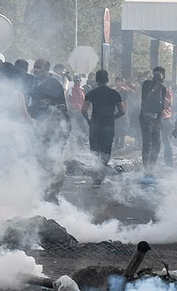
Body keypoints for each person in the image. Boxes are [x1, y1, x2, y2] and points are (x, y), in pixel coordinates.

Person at [28, 59, 72, 201]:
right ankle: (42, 190)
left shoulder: (54, 84)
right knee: (39, 159)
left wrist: (56, 127)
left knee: (52, 160)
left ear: (47, 69)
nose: (35, 69)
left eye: (39, 67)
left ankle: (53, 193)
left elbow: (61, 108)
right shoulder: (34, 84)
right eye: (34, 67)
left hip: (53, 129)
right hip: (38, 127)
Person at [81, 69, 125, 186]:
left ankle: (96, 177)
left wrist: (88, 120)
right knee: (105, 150)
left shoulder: (91, 93)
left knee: (95, 151)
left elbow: (84, 110)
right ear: (107, 79)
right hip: (108, 126)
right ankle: (101, 175)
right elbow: (122, 111)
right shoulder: (115, 93)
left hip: (95, 125)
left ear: (96, 80)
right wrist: (112, 118)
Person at [139, 66, 167, 177]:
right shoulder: (146, 84)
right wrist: (156, 85)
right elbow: (146, 99)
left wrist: (159, 121)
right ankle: (147, 169)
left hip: (156, 118)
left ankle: (152, 168)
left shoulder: (163, 88)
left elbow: (161, 106)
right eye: (156, 75)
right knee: (147, 144)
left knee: (157, 144)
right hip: (145, 117)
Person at [68, 76, 87, 146]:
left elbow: (83, 100)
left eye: (78, 81)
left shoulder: (82, 89)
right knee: (73, 126)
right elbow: (68, 99)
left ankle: (82, 140)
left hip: (81, 110)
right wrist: (70, 108)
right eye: (75, 81)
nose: (77, 82)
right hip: (73, 110)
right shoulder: (71, 89)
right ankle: (72, 142)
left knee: (83, 126)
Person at [160, 84, 174, 167]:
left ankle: (168, 162)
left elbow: (170, 103)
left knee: (166, 141)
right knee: (160, 142)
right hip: (158, 119)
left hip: (165, 119)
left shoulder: (167, 91)